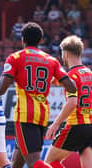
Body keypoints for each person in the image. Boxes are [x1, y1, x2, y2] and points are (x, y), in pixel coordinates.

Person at [0, 22, 77, 168]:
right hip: (42, 115)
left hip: (25, 115)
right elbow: (72, 87)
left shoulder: (16, 58)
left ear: (22, 39)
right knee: (17, 163)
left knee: (34, 163)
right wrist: (53, 79)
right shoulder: (52, 61)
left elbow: (0, 89)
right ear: (41, 40)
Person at [45, 35, 92, 168]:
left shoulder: (70, 76)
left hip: (75, 125)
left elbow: (72, 102)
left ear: (65, 54)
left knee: (48, 163)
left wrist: (55, 124)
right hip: (90, 126)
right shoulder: (89, 73)